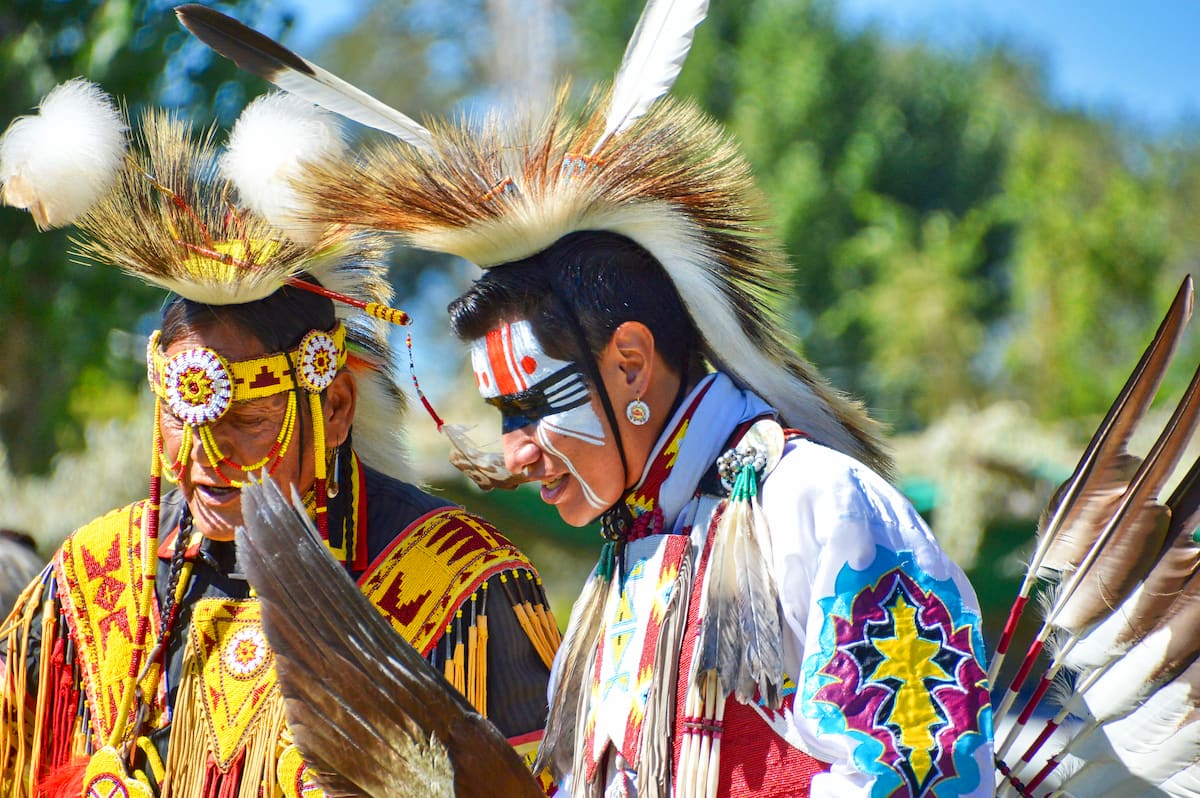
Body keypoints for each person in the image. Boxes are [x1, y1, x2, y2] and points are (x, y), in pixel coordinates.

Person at [233, 13, 994, 798]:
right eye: (503, 416)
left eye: (529, 405)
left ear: (629, 362)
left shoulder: (813, 505)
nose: (516, 451)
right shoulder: (621, 573)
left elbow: (925, 770)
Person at [0, 82, 559, 797]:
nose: (203, 458)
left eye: (242, 422)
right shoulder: (96, 583)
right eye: (182, 417)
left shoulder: (456, 585)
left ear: (334, 409)